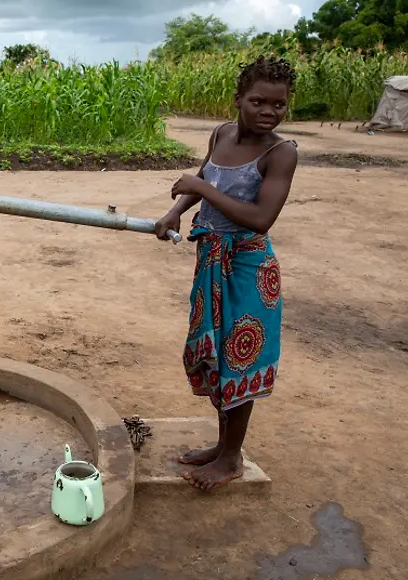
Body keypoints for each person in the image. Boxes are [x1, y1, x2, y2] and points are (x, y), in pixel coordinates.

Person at [154, 56, 299, 491]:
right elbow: (203, 178)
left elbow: (260, 218)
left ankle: (232, 457)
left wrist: (200, 190)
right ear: (238, 99)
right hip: (212, 263)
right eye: (258, 101)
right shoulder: (220, 135)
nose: (268, 111)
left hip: (249, 268)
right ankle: (222, 447)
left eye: (279, 104)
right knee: (217, 355)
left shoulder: (281, 153)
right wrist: (175, 211)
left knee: (240, 358)